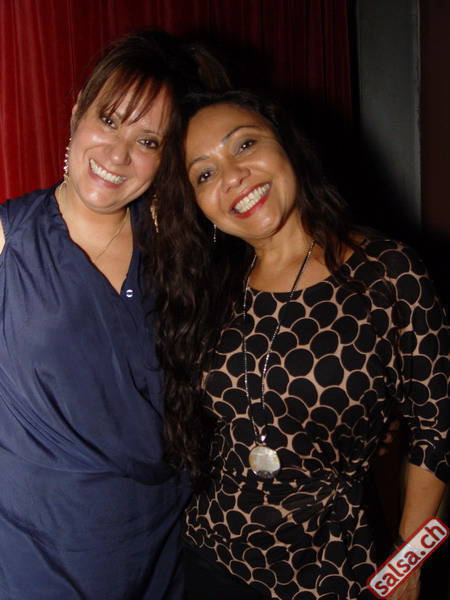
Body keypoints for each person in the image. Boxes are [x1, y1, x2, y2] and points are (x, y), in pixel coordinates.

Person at [150, 90, 450, 600]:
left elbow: (437, 431)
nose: (232, 176)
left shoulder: (387, 272)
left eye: (245, 145)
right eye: (204, 174)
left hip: (333, 573)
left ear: (287, 144)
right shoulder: (209, 287)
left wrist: (408, 564)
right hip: (207, 556)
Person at [0, 30, 229, 599]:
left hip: (164, 547)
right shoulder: (8, 238)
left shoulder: (178, 251)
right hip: (36, 556)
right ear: (78, 112)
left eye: (147, 140)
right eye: (109, 120)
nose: (118, 154)